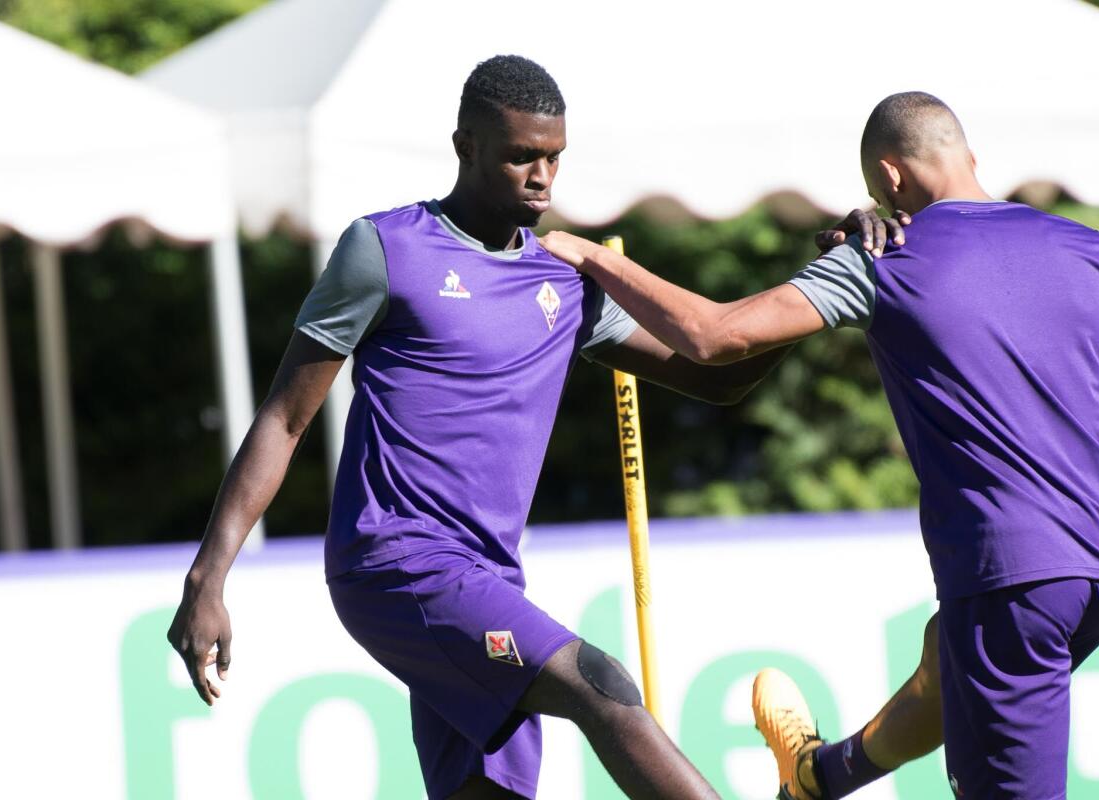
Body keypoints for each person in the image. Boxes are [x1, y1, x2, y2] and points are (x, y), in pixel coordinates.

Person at [165, 54, 888, 800]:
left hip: (490, 577)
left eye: (554, 158)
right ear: (466, 146)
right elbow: (285, 418)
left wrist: (825, 290)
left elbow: (719, 376)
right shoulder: (385, 250)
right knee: (603, 688)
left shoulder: (564, 280)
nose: (542, 177)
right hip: (397, 563)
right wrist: (207, 578)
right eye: (521, 157)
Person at [541, 91, 1099, 800]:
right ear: (970, 157)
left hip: (1012, 575)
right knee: (943, 668)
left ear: (887, 178)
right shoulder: (1089, 247)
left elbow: (712, 336)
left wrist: (587, 255)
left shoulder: (884, 258)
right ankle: (819, 777)